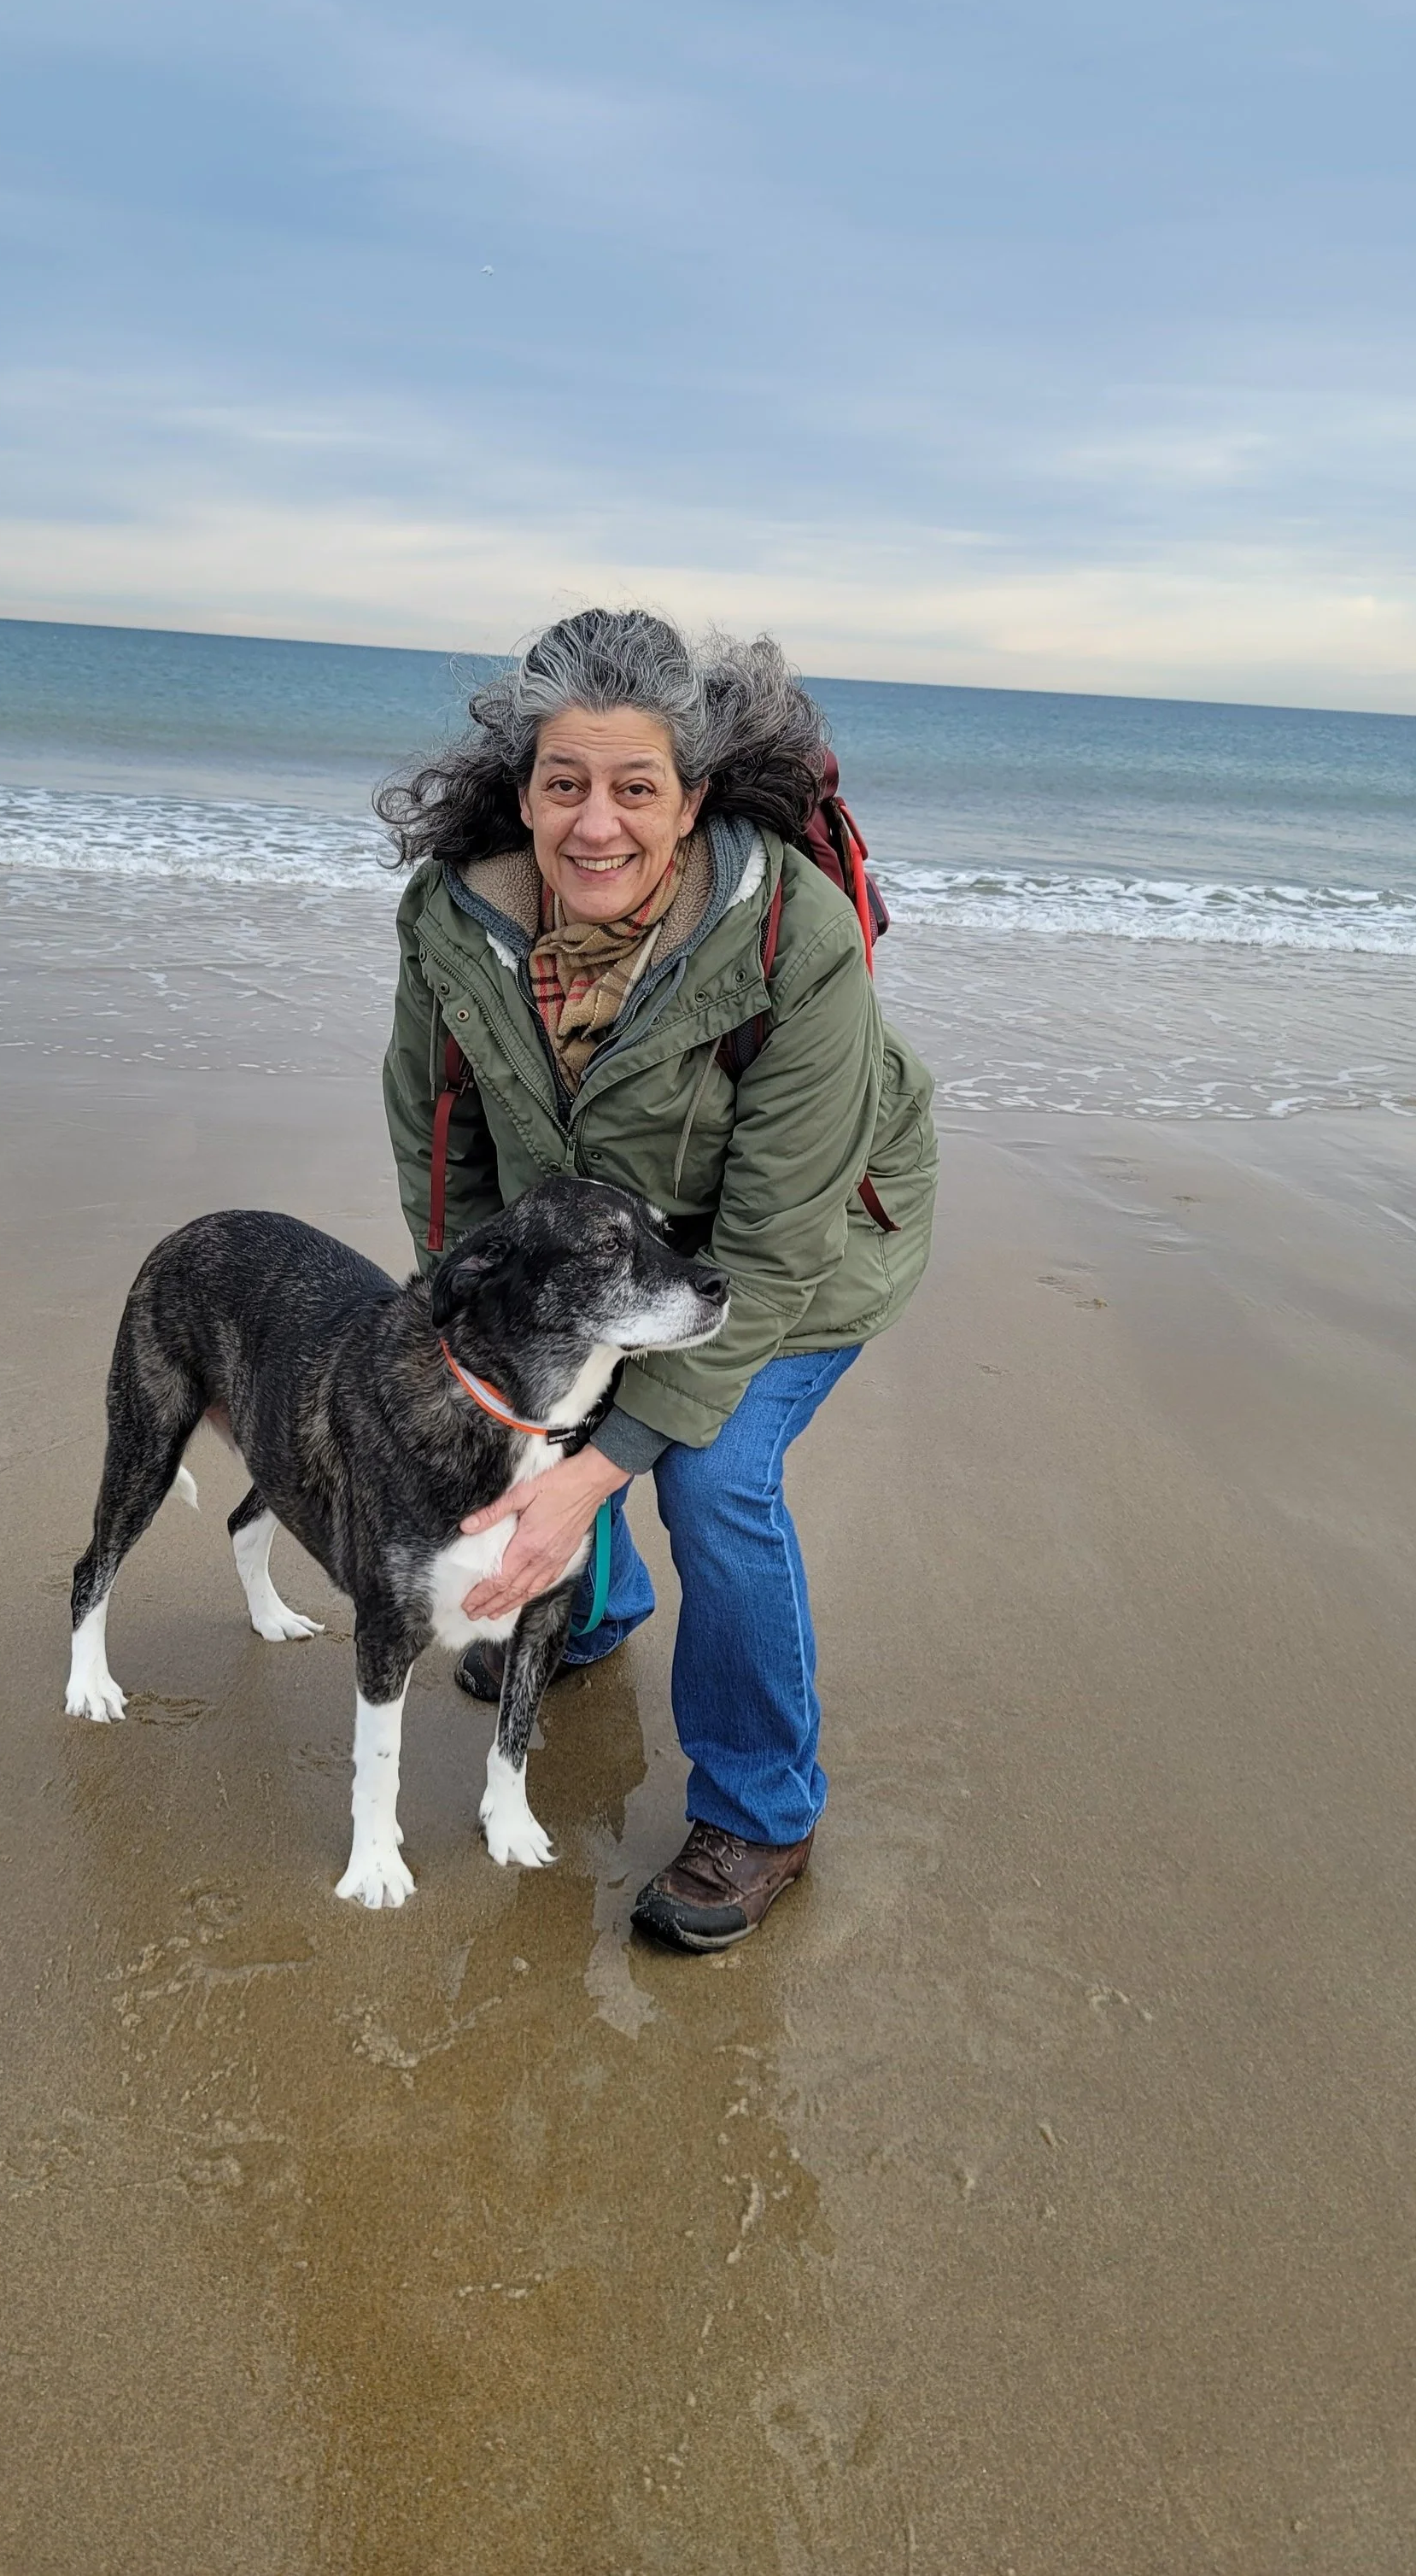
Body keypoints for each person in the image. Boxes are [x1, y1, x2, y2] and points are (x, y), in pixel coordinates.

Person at [377, 610, 937, 1950]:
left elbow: (776, 1243)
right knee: (539, 1399)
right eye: (564, 784)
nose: (596, 825)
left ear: (690, 801)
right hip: (601, 1257)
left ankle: (762, 1806)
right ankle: (598, 1609)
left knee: (708, 1469)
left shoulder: (796, 940)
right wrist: (468, 1338)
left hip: (799, 1253)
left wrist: (586, 1472)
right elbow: (438, 1141)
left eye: (636, 788)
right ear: (521, 791)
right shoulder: (454, 922)